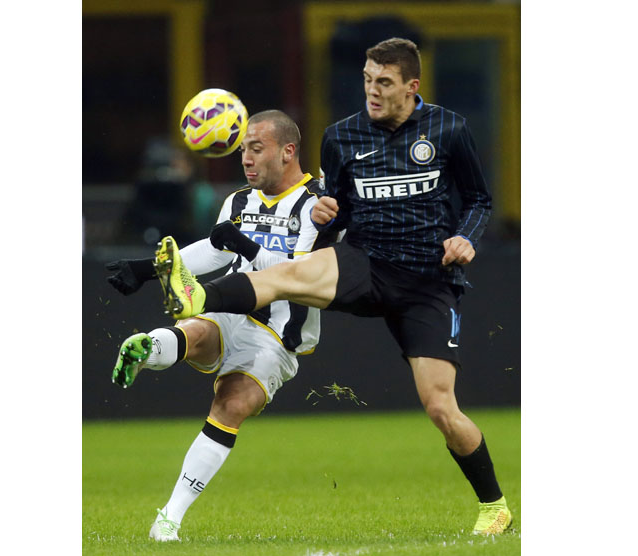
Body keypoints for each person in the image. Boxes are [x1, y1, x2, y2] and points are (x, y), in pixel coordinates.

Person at [158, 38, 513, 536]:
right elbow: (336, 207)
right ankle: (199, 298)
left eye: (384, 82)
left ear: (412, 87)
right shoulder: (343, 137)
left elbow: (478, 199)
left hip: (427, 284)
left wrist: (465, 237)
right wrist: (327, 212)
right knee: (285, 275)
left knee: (441, 408)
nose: (372, 90)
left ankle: (493, 504)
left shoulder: (448, 129)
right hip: (365, 263)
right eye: (368, 79)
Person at [105, 110, 332, 542]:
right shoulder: (239, 201)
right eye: (243, 149)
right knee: (198, 331)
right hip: (230, 308)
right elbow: (214, 251)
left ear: (288, 152)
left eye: (256, 148)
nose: (245, 158)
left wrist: (243, 243)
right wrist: (145, 269)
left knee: (231, 404)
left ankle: (169, 515)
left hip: (279, 333)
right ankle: (150, 349)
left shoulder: (318, 206)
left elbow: (297, 278)